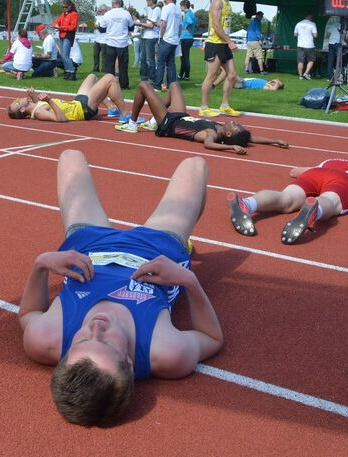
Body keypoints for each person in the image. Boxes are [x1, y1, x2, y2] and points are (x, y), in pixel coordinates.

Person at [18, 149, 223, 426]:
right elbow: (212, 338)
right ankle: (186, 241)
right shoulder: (165, 352)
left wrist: (41, 264)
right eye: (106, 342)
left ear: (64, 354)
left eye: (81, 341)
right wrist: (188, 280)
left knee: (70, 155)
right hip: (157, 246)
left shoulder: (44, 338)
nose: (96, 327)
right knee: (195, 165)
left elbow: (28, 313)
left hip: (88, 242)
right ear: (129, 362)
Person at [226, 157, 348, 244]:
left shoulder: (329, 160)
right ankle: (316, 210)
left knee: (286, 198)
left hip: (315, 173)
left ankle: (248, 203)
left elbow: (294, 171)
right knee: (331, 201)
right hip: (344, 180)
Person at [114, 80, 288, 154]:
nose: (235, 122)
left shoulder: (211, 134)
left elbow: (208, 145)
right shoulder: (222, 128)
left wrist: (230, 147)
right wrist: (275, 141)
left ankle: (132, 123)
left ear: (228, 134)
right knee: (174, 86)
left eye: (235, 126)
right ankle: (153, 121)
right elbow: (250, 138)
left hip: (168, 123)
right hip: (180, 115)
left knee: (143, 86)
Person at [7, 73, 133, 123]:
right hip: (83, 110)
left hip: (77, 103)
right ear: (22, 109)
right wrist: (49, 100)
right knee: (110, 78)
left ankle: (111, 109)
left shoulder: (35, 107)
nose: (17, 99)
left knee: (92, 77)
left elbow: (38, 104)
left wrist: (33, 95)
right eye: (16, 102)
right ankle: (125, 115)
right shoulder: (39, 113)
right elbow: (61, 118)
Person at [199, 0, 240, 118]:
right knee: (211, 76)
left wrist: (227, 41)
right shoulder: (217, 2)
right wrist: (230, 41)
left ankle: (224, 106)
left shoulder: (227, 2)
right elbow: (216, 26)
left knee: (232, 75)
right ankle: (204, 107)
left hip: (223, 43)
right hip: (215, 43)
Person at [97, 0, 134, 89]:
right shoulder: (126, 13)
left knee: (109, 66)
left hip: (110, 43)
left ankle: (109, 85)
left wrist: (98, 27)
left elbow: (102, 29)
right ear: (121, 4)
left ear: (112, 4)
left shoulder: (107, 14)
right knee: (123, 66)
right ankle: (124, 85)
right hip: (122, 43)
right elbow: (131, 27)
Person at [155, 0, 181, 91]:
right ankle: (172, 85)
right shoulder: (178, 9)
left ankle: (157, 86)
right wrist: (177, 37)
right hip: (174, 40)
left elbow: (163, 24)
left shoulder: (166, 8)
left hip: (166, 39)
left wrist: (161, 36)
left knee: (160, 63)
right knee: (171, 63)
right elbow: (180, 26)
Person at [134, 0, 160, 84]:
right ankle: (143, 77)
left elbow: (151, 25)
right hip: (145, 36)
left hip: (151, 37)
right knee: (143, 58)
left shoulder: (156, 9)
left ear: (152, 0)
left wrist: (139, 24)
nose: (146, 1)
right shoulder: (151, 10)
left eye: (148, 0)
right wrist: (142, 23)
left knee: (149, 59)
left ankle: (151, 78)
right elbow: (148, 22)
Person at [53, 0, 79, 80]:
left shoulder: (74, 14)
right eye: (63, 7)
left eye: (66, 7)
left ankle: (72, 72)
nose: (64, 8)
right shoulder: (63, 14)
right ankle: (67, 71)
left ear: (70, 6)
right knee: (63, 55)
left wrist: (61, 27)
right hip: (62, 35)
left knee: (65, 55)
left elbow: (73, 27)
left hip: (68, 36)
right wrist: (56, 25)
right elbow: (56, 22)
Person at [294, 12, 318, 80]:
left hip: (300, 45)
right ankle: (306, 73)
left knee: (300, 61)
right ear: (310, 16)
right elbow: (315, 35)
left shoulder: (298, 24)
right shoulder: (312, 24)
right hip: (309, 45)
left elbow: (295, 34)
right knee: (311, 60)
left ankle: (300, 76)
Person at [210, 69, 284, 91]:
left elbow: (273, 90)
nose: (274, 81)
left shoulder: (266, 86)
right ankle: (212, 84)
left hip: (241, 84)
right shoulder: (266, 82)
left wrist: (276, 84)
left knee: (229, 72)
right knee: (226, 71)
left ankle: (213, 85)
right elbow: (272, 82)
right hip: (241, 81)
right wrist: (274, 81)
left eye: (276, 83)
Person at [178, 0, 196, 80]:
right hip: (189, 37)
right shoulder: (191, 13)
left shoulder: (187, 14)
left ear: (184, 6)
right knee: (184, 57)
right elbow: (196, 22)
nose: (180, 7)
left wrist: (186, 28)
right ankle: (182, 75)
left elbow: (190, 22)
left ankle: (186, 76)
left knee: (184, 58)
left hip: (185, 37)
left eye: (181, 6)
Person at [324, 16, 345, 82]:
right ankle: (339, 76)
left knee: (330, 61)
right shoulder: (342, 26)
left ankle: (329, 77)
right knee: (339, 61)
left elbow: (327, 35)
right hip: (337, 44)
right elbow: (343, 37)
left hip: (331, 43)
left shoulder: (332, 25)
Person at [92, 5, 108, 73]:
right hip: (97, 39)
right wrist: (92, 26)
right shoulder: (97, 17)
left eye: (100, 11)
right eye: (98, 11)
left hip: (104, 40)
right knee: (95, 55)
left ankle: (104, 69)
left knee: (104, 56)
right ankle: (96, 68)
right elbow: (95, 27)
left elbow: (104, 30)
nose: (99, 12)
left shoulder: (107, 18)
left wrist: (98, 27)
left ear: (105, 11)